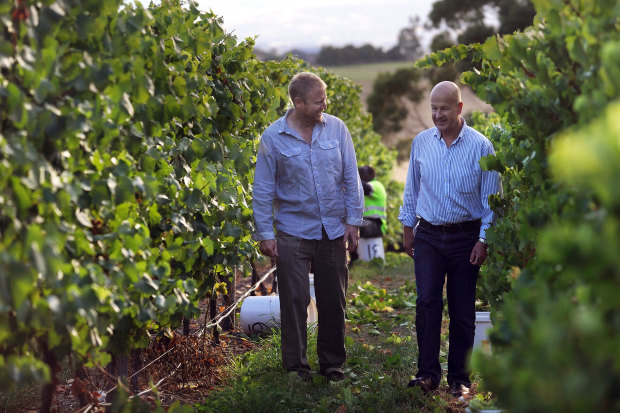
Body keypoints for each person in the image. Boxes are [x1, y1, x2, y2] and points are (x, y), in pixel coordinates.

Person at [252, 72, 364, 382]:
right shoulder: (273, 137)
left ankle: (332, 364)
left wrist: (353, 221)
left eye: (325, 100)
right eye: (318, 101)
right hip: (293, 229)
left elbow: (350, 176)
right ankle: (296, 368)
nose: (324, 105)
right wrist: (265, 233)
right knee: (294, 300)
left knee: (333, 298)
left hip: (332, 228)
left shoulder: (337, 129)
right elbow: (262, 189)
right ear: (298, 103)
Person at [398, 81, 501, 398]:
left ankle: (460, 378)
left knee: (462, 310)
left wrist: (482, 240)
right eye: (433, 108)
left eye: (443, 108)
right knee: (426, 303)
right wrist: (407, 228)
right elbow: (412, 188)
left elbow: (491, 200)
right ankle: (427, 374)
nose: (437, 114)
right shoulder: (421, 143)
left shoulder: (482, 147)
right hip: (428, 235)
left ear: (459, 108)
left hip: (465, 238)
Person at [358, 165, 387, 239]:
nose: (359, 175)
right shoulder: (359, 189)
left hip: (377, 225)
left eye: (362, 173)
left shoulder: (377, 185)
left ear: (371, 175)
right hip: (367, 223)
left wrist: (350, 178)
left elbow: (366, 188)